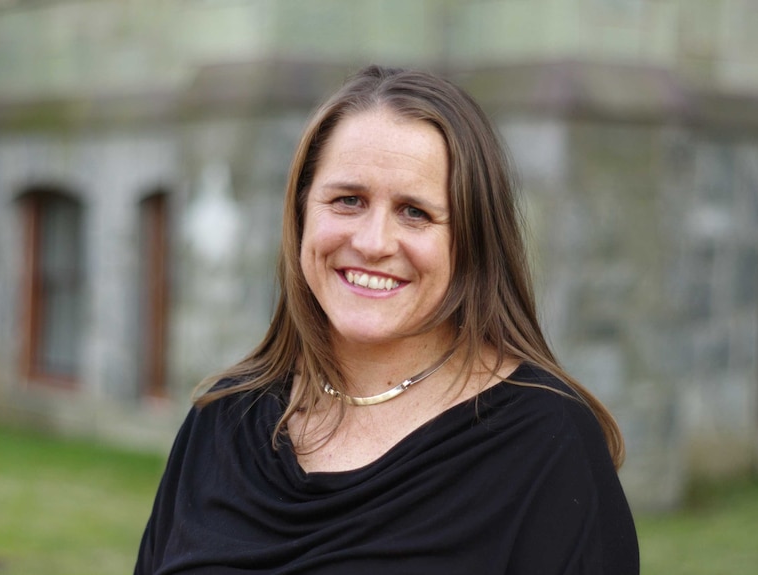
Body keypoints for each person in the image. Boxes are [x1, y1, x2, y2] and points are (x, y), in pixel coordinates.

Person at [134, 65, 639, 574]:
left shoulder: (547, 446)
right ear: (302, 213)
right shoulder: (223, 418)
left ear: (472, 240)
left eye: (415, 212)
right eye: (348, 200)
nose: (374, 242)